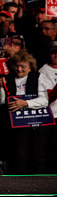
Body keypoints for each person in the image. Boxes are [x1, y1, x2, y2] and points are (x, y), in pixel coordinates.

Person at [0, 51, 52, 174]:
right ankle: (20, 186)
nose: (19, 69)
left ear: (30, 66)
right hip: (16, 123)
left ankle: (39, 186)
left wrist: (25, 103)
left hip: (36, 122)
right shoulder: (7, 78)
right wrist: (0, 87)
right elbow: (1, 101)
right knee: (19, 156)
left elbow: (44, 100)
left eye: (23, 66)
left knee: (39, 155)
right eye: (17, 66)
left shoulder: (38, 76)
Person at [38, 41, 57, 173]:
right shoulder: (43, 71)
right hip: (53, 116)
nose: (56, 55)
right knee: (52, 152)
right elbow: (48, 98)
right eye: (54, 52)